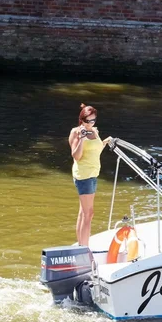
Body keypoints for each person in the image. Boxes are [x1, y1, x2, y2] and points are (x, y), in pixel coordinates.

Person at [68, 103, 112, 246]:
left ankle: (81, 245)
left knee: (83, 212)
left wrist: (106, 142)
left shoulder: (95, 131)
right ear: (81, 120)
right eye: (88, 121)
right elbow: (76, 156)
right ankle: (84, 248)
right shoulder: (76, 132)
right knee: (89, 214)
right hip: (84, 176)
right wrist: (81, 139)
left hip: (93, 174)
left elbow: (96, 150)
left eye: (93, 120)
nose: (90, 124)